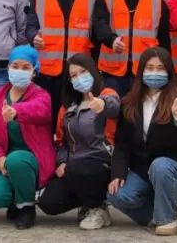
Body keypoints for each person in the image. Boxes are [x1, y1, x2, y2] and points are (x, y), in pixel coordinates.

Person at [106, 47, 177, 237]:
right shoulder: (129, 103)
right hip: (143, 172)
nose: (155, 73)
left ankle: (168, 219)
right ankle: (154, 215)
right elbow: (122, 144)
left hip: (174, 172)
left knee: (160, 165)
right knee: (116, 195)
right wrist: (118, 173)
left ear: (169, 72)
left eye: (160, 68)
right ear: (141, 71)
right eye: (150, 68)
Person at [37, 54, 120, 230]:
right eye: (73, 75)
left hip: (102, 161)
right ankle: (87, 203)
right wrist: (62, 161)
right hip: (74, 164)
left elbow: (115, 107)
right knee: (48, 202)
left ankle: (97, 208)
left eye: (83, 72)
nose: (79, 78)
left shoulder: (107, 94)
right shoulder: (67, 107)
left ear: (93, 71)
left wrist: (102, 105)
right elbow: (61, 142)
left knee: (79, 168)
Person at [0, 46, 55, 229]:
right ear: (8, 68)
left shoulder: (41, 95)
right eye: (15, 66)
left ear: (34, 71)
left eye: (25, 67)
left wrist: (16, 112)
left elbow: (40, 110)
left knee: (16, 160)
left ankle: (27, 207)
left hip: (31, 160)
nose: (19, 71)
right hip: (5, 161)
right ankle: (14, 200)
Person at [25, 0, 94, 130]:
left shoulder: (91, 2)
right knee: (46, 119)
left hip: (78, 74)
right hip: (47, 74)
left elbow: (97, 36)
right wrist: (33, 37)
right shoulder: (39, 0)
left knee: (75, 120)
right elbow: (30, 27)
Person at [92, 0, 171, 96]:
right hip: (112, 73)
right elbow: (99, 25)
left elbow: (164, 40)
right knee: (112, 108)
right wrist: (112, 40)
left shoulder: (157, 1)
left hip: (147, 72)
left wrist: (165, 70)